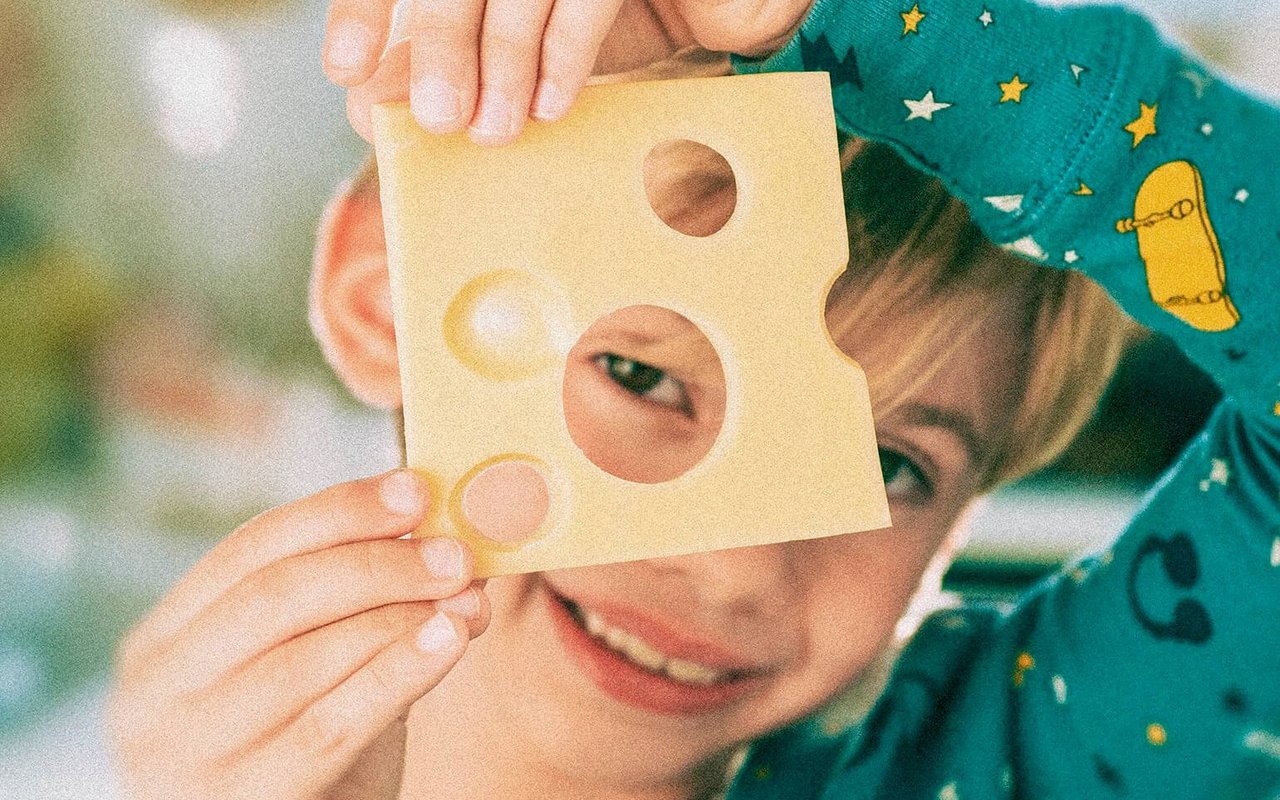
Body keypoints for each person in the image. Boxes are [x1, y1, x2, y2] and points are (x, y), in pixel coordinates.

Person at [107, 1, 1279, 799]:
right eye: (640, 376)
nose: (736, 564)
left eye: (888, 464)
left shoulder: (989, 762)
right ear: (385, 300)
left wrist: (837, 17)